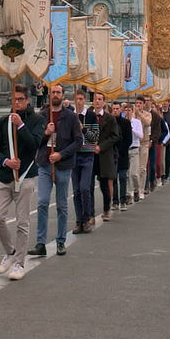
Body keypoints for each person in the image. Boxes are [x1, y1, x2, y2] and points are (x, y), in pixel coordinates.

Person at [0, 84, 44, 281]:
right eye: (14, 99)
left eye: (20, 99)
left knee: (22, 223)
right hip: (4, 177)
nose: (17, 102)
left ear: (27, 100)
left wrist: (21, 126)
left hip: (25, 177)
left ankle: (19, 262)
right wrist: (5, 161)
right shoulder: (3, 121)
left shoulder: (36, 120)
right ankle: (10, 251)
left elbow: (35, 144)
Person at [29, 83, 81, 258]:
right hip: (44, 164)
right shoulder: (42, 116)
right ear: (49, 94)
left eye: (59, 92)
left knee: (62, 205)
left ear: (63, 94)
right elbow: (34, 142)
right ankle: (40, 243)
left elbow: (78, 141)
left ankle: (60, 241)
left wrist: (61, 154)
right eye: (53, 92)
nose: (56, 94)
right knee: (42, 202)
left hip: (63, 165)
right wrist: (45, 133)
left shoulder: (71, 117)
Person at [90, 91, 119, 221]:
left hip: (104, 155)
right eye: (96, 99)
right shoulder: (88, 116)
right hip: (90, 154)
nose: (97, 101)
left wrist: (101, 146)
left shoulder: (110, 118)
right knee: (88, 186)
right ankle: (89, 214)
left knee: (104, 185)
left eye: (100, 99)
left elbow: (115, 136)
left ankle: (107, 208)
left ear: (104, 102)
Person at [70, 88, 96, 233]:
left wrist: (83, 129)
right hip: (74, 156)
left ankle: (87, 218)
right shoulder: (70, 115)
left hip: (87, 155)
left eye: (81, 99)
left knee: (85, 188)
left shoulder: (91, 116)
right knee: (76, 190)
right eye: (77, 99)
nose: (79, 102)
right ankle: (79, 220)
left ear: (84, 100)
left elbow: (95, 137)